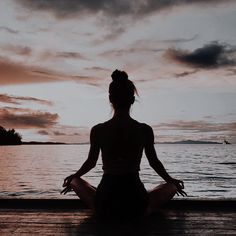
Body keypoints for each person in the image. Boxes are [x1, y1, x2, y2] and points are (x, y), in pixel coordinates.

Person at [61, 70, 187, 219]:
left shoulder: (98, 130)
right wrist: (171, 181)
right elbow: (154, 162)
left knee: (76, 181)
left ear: (110, 99)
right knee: (170, 186)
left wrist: (74, 176)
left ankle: (99, 200)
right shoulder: (144, 130)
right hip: (136, 203)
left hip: (105, 204)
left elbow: (91, 162)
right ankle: (144, 204)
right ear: (132, 100)